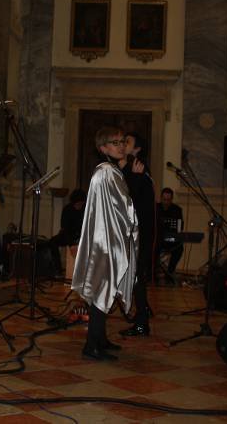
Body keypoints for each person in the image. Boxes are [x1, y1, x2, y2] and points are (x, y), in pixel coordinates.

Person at [72, 126, 138, 361]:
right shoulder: (107, 172)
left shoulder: (109, 171)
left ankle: (100, 339)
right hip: (107, 242)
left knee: (105, 289)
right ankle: (91, 345)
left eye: (122, 142)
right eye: (115, 143)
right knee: (103, 290)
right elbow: (124, 206)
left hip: (108, 239)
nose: (121, 146)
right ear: (103, 148)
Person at [119, 132, 155, 337]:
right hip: (132, 232)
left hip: (139, 234)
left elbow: (132, 200)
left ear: (137, 149)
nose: (123, 144)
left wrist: (134, 176)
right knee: (133, 275)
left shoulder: (139, 168)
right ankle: (143, 311)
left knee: (136, 276)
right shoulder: (129, 167)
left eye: (127, 142)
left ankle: (142, 322)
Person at [47, 189, 87, 275]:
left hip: (81, 236)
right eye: (77, 204)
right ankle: (58, 270)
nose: (79, 206)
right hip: (68, 235)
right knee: (52, 242)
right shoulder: (67, 209)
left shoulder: (85, 210)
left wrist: (80, 240)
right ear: (73, 203)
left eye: (81, 204)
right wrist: (71, 244)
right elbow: (65, 229)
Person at [156, 188, 185, 275]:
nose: (166, 202)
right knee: (150, 247)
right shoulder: (155, 208)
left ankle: (170, 272)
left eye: (168, 200)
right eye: (164, 199)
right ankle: (153, 272)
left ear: (171, 199)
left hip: (171, 239)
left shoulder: (177, 209)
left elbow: (180, 227)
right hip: (157, 239)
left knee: (179, 248)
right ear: (161, 198)